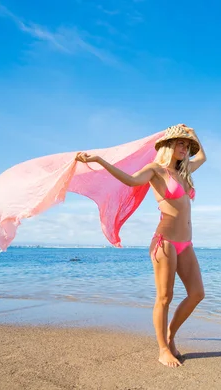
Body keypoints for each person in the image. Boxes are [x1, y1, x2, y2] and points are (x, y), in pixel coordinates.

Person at [75, 124, 207, 368]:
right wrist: (101, 161)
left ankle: (170, 334)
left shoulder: (184, 169)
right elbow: (131, 180)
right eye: (180, 143)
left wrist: (193, 133)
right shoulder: (155, 170)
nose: (184, 148)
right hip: (164, 242)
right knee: (165, 297)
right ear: (168, 145)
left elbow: (203, 157)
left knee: (197, 293)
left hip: (185, 243)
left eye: (186, 145)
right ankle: (163, 349)